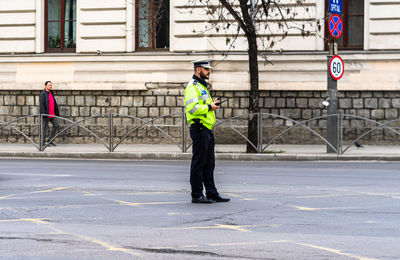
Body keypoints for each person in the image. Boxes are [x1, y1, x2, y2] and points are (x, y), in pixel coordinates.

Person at [184, 59, 230, 204]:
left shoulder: (202, 87)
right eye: (206, 69)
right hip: (199, 129)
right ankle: (197, 194)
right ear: (198, 70)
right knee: (199, 163)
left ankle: (211, 192)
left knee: (209, 163)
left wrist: (212, 104)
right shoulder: (192, 87)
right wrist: (210, 107)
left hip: (207, 129)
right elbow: (192, 109)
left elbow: (203, 104)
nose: (209, 72)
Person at [39, 81, 59, 146]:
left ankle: (50, 140)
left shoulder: (51, 93)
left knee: (56, 125)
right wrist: (43, 114)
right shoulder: (43, 94)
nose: (50, 86)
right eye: (49, 85)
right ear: (45, 86)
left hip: (52, 114)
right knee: (44, 127)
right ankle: (42, 142)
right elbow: (41, 105)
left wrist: (56, 112)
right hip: (46, 114)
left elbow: (54, 103)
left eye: (51, 85)